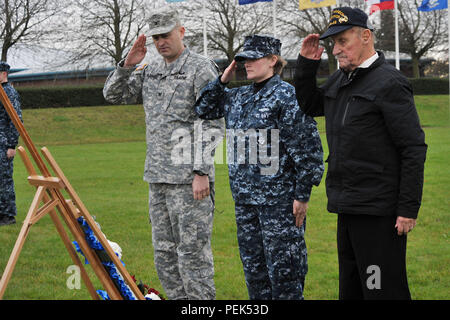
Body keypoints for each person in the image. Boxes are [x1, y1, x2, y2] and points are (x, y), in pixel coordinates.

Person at [294, 7, 427, 300]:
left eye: (343, 41)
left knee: (379, 289)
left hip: (379, 211)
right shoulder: (342, 79)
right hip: (348, 204)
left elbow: (413, 147)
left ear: (365, 36)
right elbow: (311, 105)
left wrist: (407, 208)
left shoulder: (389, 82)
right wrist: (306, 65)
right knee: (352, 288)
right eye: (333, 44)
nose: (337, 50)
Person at [103, 8, 225, 300]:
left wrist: (201, 172)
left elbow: (212, 122)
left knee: (192, 253)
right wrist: (126, 65)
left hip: (189, 180)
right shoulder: (151, 68)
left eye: (166, 35)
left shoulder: (201, 68)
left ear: (181, 32)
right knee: (164, 254)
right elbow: (113, 95)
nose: (160, 42)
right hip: (157, 177)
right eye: (155, 37)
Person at [195, 34, 324, 300]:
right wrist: (223, 79)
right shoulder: (237, 97)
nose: (246, 63)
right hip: (245, 203)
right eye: (242, 59)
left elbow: (307, 150)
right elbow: (204, 108)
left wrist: (302, 195)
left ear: (272, 60)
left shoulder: (287, 96)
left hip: (279, 202)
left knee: (285, 274)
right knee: (255, 275)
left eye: (253, 58)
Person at [0, 61, 22, 227]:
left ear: (4, 74)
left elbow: (15, 120)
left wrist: (12, 145)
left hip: (4, 142)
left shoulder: (9, 93)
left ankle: (8, 215)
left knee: (4, 180)